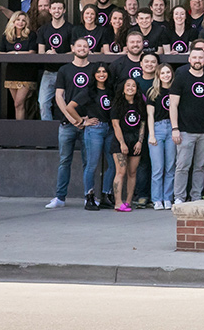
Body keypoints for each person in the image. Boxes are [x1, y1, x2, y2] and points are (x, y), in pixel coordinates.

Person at [45, 37, 94, 209]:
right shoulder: (64, 70)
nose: (82, 49)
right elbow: (59, 96)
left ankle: (90, 197)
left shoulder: (95, 69)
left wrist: (83, 121)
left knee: (89, 162)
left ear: (89, 49)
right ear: (72, 48)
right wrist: (73, 119)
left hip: (89, 124)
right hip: (67, 123)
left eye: (85, 46)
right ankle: (60, 198)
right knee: (64, 160)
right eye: (79, 46)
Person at [170, 42, 204, 205]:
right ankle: (179, 197)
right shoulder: (181, 78)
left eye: (200, 58)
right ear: (189, 59)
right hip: (185, 131)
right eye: (194, 57)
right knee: (182, 166)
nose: (197, 60)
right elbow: (173, 105)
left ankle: (196, 196)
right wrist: (175, 128)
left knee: (200, 166)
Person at [69, 63, 113, 210]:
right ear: (94, 74)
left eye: (104, 71)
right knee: (92, 165)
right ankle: (89, 197)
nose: (102, 74)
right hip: (95, 129)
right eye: (99, 72)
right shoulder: (89, 90)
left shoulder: (110, 90)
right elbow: (70, 107)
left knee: (113, 165)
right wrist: (82, 121)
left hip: (110, 129)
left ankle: (106, 195)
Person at [109, 77, 146, 212]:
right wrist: (122, 143)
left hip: (135, 140)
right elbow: (115, 124)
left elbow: (142, 123)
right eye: (128, 85)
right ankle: (118, 202)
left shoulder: (140, 103)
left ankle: (128, 202)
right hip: (120, 141)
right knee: (121, 171)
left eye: (133, 86)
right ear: (123, 89)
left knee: (132, 172)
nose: (130, 88)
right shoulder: (117, 104)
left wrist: (140, 141)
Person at [36, 0, 73, 121]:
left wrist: (58, 55)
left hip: (66, 71)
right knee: (43, 102)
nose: (57, 11)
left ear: (64, 10)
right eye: (54, 8)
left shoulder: (70, 29)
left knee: (66, 103)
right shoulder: (43, 30)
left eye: (60, 8)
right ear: (50, 10)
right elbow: (40, 52)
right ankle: (47, 129)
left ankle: (66, 127)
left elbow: (74, 51)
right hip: (49, 72)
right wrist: (48, 53)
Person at [146, 63, 177, 209]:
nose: (166, 75)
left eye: (168, 72)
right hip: (157, 129)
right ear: (158, 75)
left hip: (172, 128)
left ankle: (167, 198)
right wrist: (151, 134)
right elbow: (150, 115)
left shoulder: (175, 90)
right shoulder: (153, 92)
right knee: (158, 168)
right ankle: (157, 199)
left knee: (170, 167)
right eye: (163, 73)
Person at [1, 10, 37, 119]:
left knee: (18, 103)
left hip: (27, 73)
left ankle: (21, 129)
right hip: (12, 72)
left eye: (23, 20)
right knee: (18, 105)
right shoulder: (7, 35)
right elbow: (0, 52)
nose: (20, 22)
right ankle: (21, 128)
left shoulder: (31, 35)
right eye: (18, 20)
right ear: (13, 21)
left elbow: (32, 52)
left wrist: (15, 53)